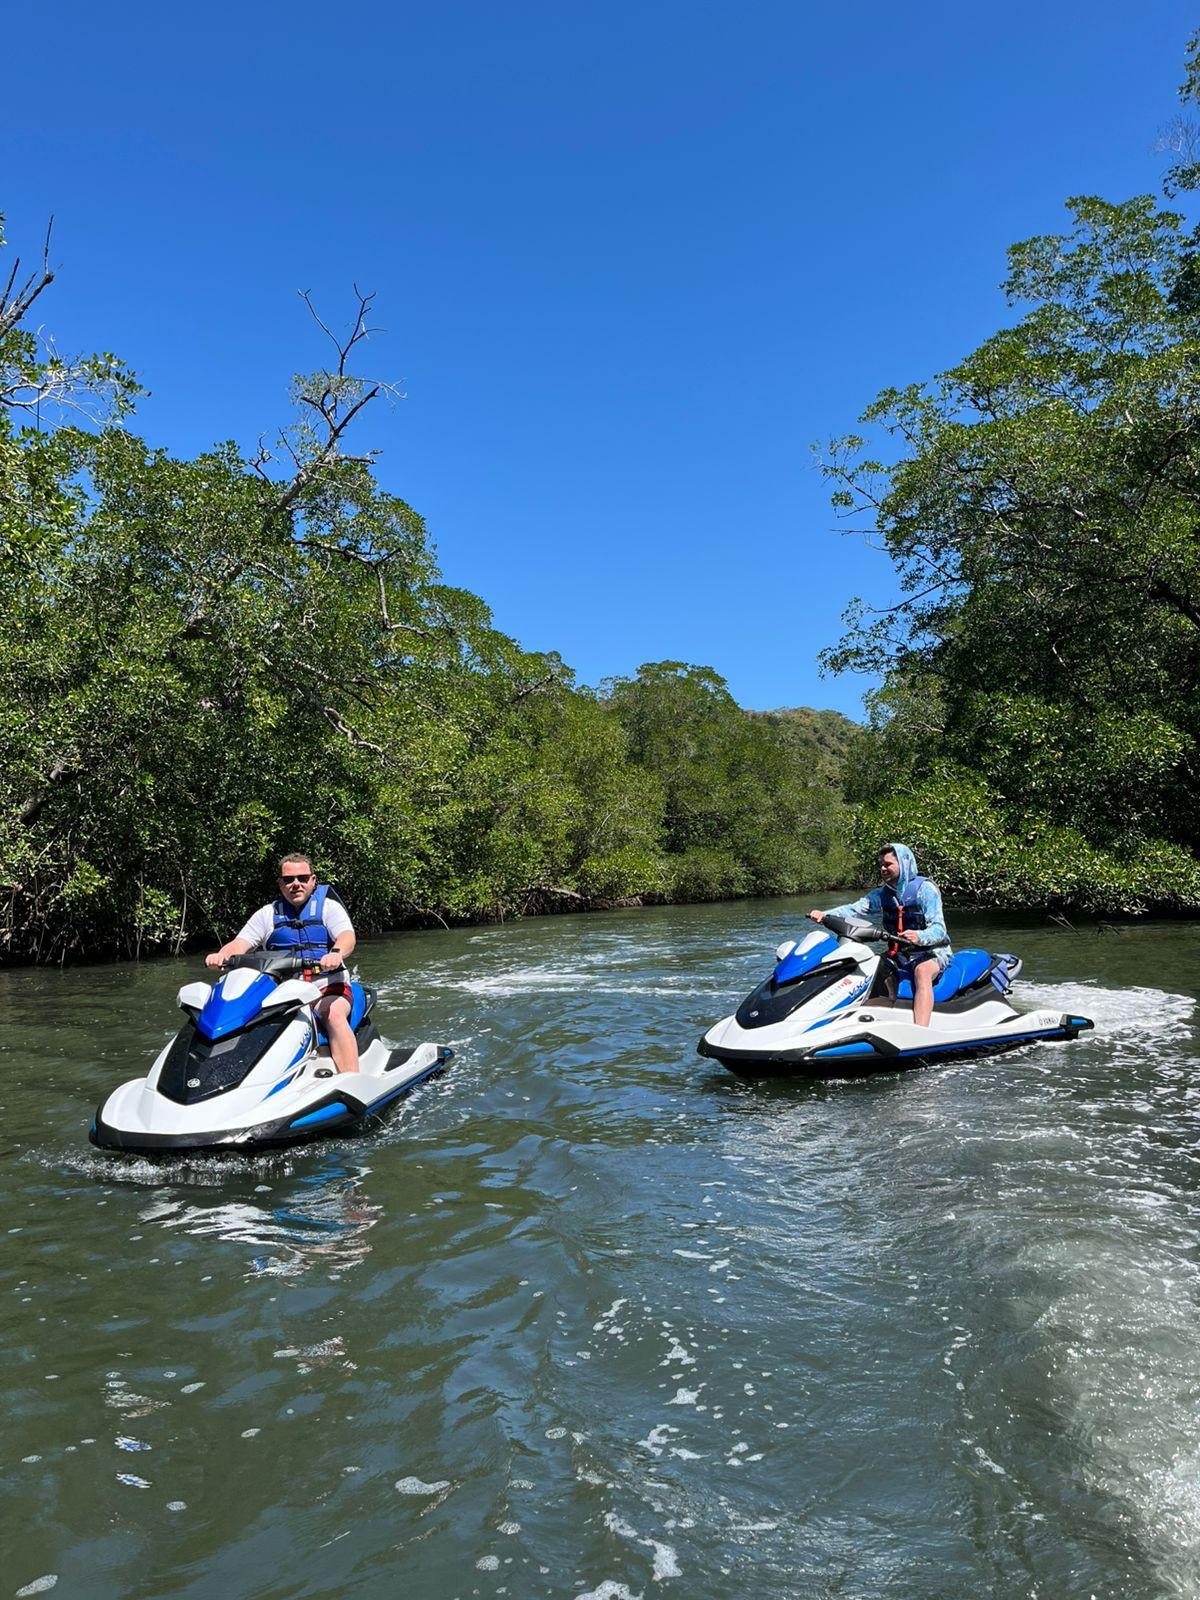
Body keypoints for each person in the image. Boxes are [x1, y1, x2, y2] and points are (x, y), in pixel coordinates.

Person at [206, 853, 360, 1075]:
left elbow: (347, 936)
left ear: (313, 880)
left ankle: (352, 1080)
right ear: (280, 884)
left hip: (326, 985)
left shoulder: (329, 908)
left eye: (302, 878)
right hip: (281, 992)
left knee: (333, 1014)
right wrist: (222, 955)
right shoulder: (267, 914)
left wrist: (335, 953)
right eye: (288, 880)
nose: (295, 884)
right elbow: (241, 942)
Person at [807, 843, 951, 1028]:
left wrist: (919, 936)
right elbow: (854, 909)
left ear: (904, 863)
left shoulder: (925, 890)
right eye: (881, 865)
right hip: (899, 954)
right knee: (866, 967)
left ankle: (921, 1029)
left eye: (888, 864)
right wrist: (825, 915)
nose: (883, 869)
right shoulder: (882, 895)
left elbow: (940, 930)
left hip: (932, 952)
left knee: (921, 972)